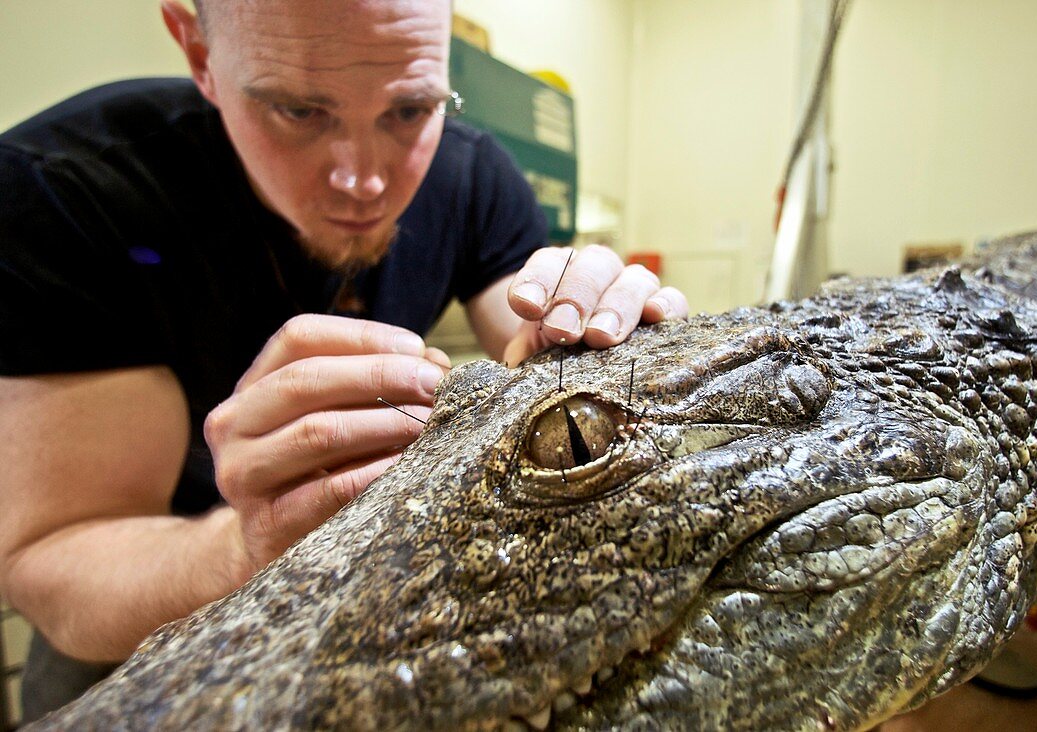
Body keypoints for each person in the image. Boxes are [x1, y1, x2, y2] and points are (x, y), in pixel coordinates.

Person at [0, 0, 688, 720]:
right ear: (199, 51)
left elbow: (533, 335)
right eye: (299, 111)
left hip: (356, 591)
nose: (364, 181)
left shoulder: (474, 174)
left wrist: (593, 325)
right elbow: (52, 558)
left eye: (410, 110)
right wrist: (240, 546)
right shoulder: (70, 193)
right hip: (137, 637)